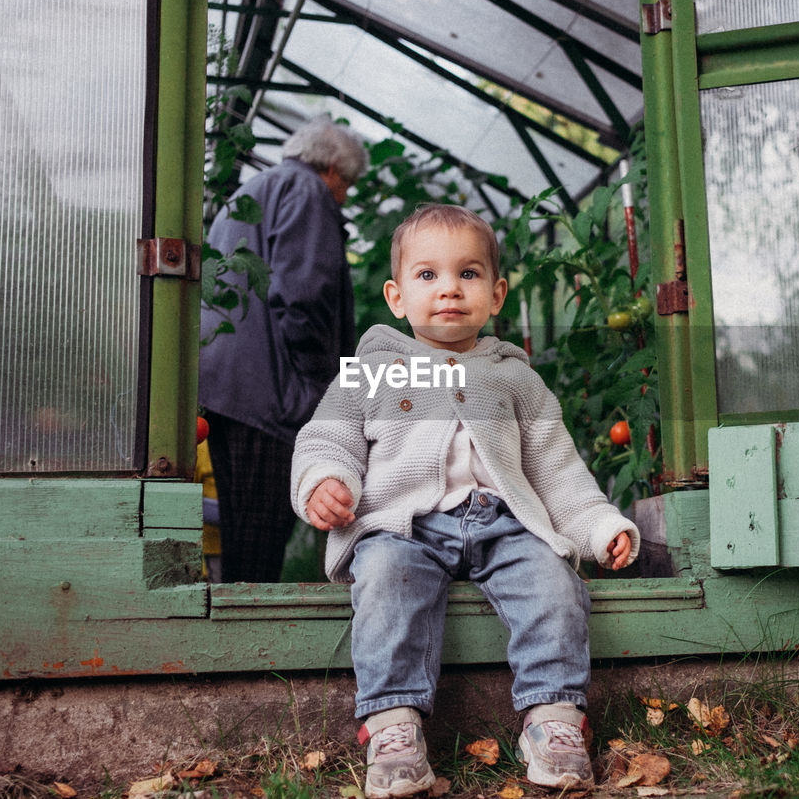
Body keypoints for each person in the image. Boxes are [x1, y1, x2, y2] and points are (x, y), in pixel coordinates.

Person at [290, 204, 639, 797]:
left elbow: (558, 471)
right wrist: (324, 479)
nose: (449, 288)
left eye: (468, 274)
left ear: (497, 293)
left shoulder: (514, 379)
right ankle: (393, 727)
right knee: (385, 580)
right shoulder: (374, 372)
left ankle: (553, 720)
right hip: (404, 526)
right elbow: (329, 436)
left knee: (554, 581)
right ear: (396, 297)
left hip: (504, 525)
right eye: (428, 275)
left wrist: (599, 524)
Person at [199, 117, 368, 583]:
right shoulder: (308, 192)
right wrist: (322, 389)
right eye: (348, 183)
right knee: (261, 538)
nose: (346, 196)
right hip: (269, 397)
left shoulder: (252, 191)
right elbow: (305, 295)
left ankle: (233, 644)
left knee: (241, 533)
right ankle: (253, 649)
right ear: (333, 169)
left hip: (226, 390)